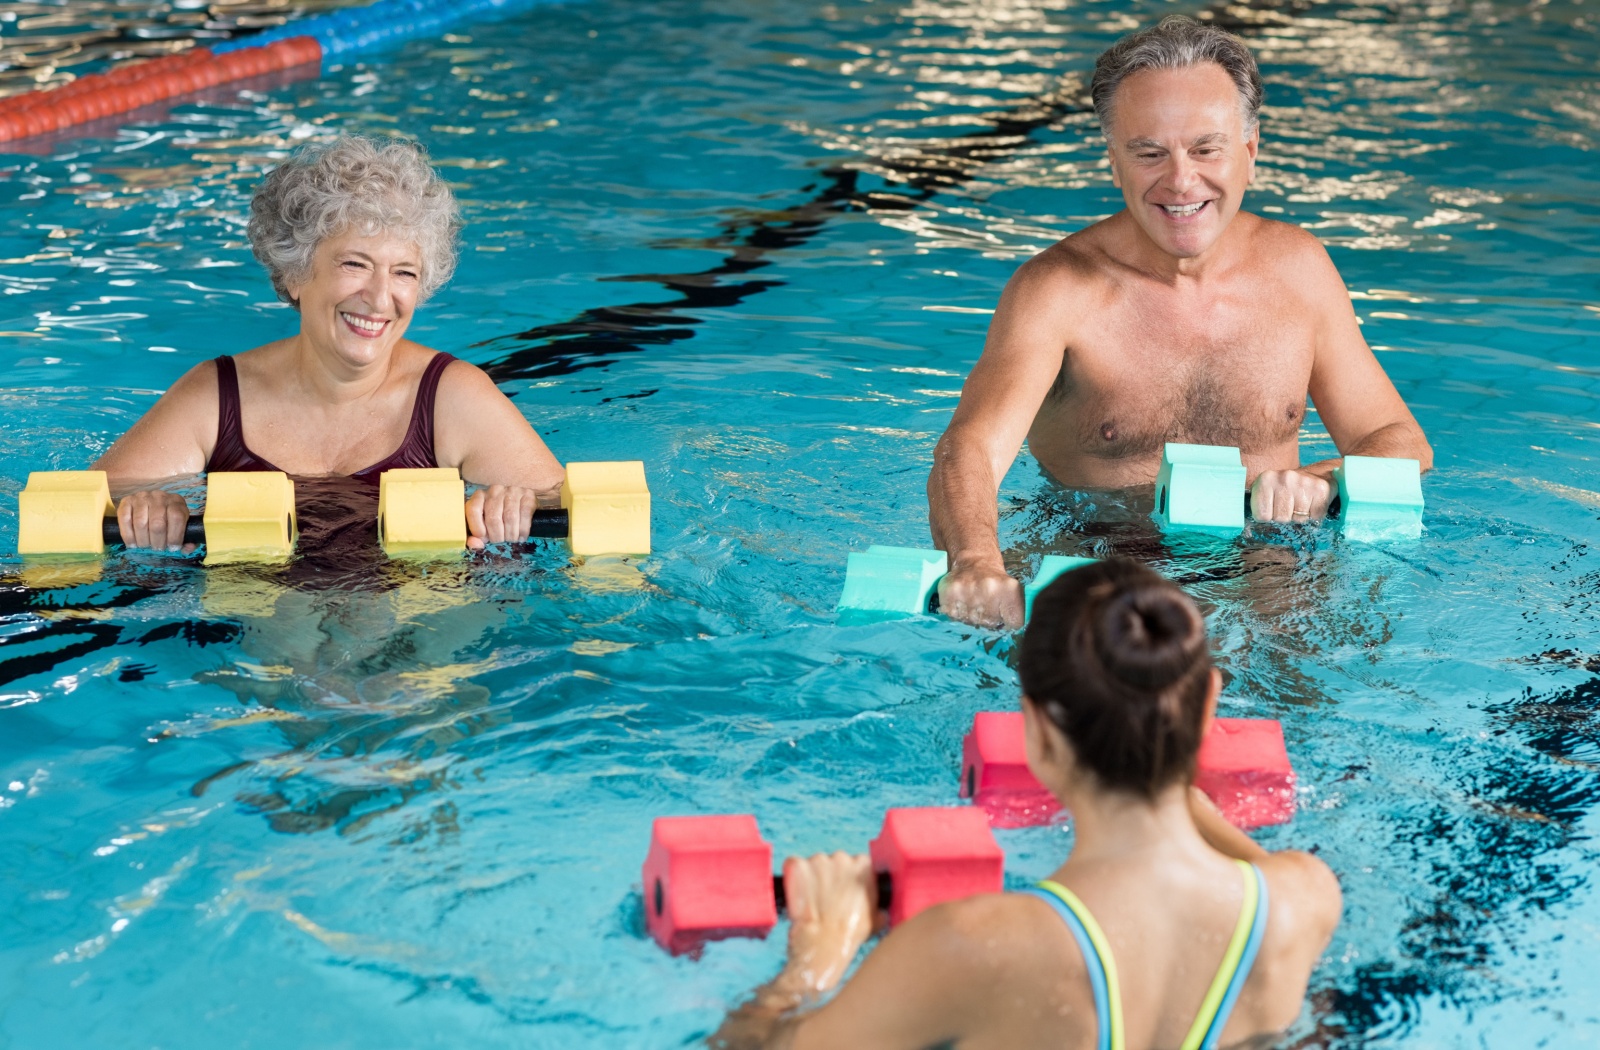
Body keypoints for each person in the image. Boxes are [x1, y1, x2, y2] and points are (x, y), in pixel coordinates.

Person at [712, 558, 1342, 1050]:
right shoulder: (1304, 901)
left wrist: (816, 958)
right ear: (1209, 704)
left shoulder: (975, 944)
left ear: (1037, 731)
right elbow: (1237, 866)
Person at [927, 16, 1433, 627]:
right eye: (1149, 153)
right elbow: (971, 448)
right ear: (1114, 162)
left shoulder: (1299, 272)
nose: (1181, 180)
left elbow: (1401, 441)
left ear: (1250, 151)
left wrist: (1318, 480)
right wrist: (977, 560)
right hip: (1099, 568)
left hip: (1268, 571)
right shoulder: (1056, 291)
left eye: (1206, 148)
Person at [93, 135, 563, 551]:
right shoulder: (216, 398)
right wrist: (150, 509)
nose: (380, 298)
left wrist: (510, 503)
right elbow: (85, 502)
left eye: (404, 273)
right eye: (354, 264)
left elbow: (570, 509)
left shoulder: (453, 398)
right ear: (296, 274)